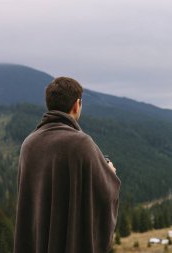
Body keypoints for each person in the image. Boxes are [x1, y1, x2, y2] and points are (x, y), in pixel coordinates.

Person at [14, 77, 121, 253]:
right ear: (76, 105)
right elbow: (105, 192)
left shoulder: (29, 144)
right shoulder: (81, 143)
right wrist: (110, 172)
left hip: (37, 241)